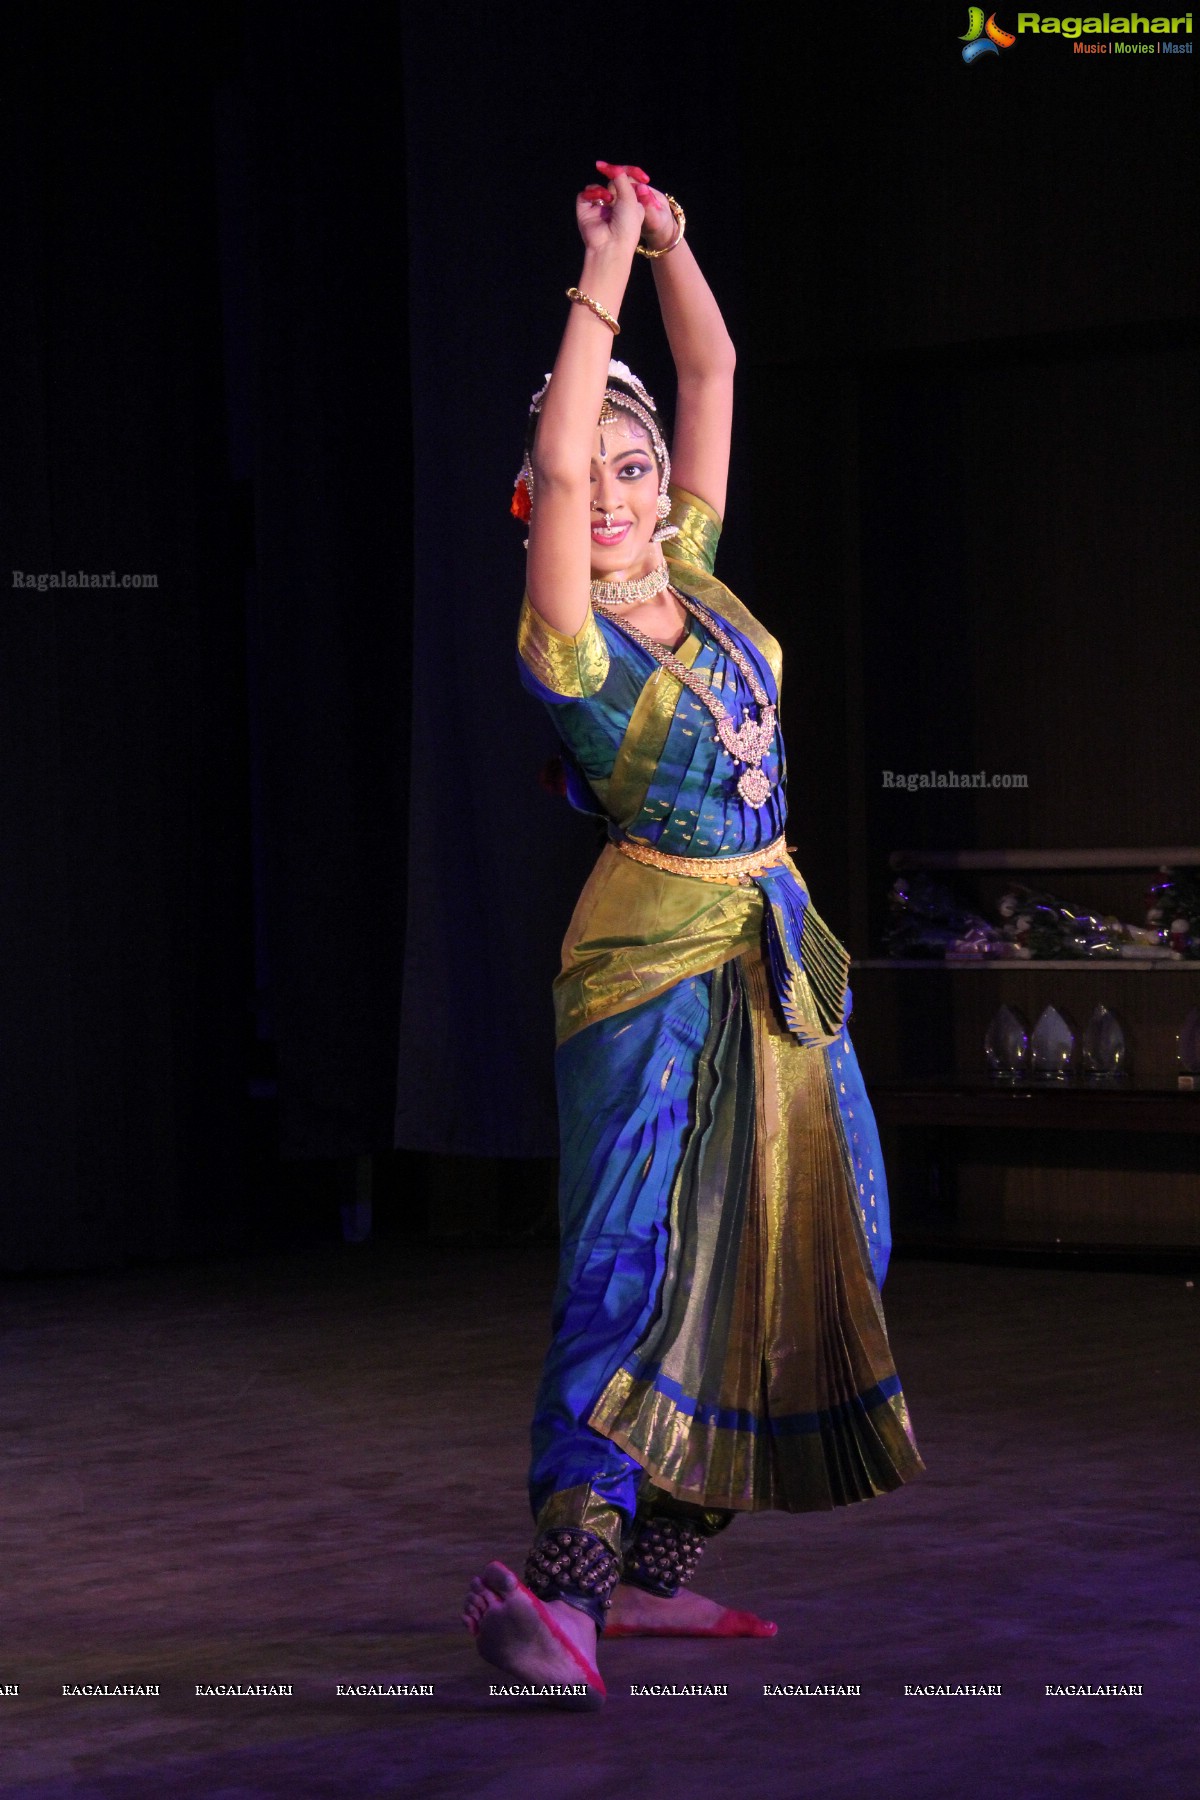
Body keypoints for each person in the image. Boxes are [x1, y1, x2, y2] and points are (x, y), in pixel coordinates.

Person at [462, 162, 925, 1708]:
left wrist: (673, 246)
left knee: (834, 1234)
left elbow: (714, 365)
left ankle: (657, 1574)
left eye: (634, 471)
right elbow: (559, 436)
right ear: (544, 496)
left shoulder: (702, 577)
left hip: (777, 948)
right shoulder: (567, 639)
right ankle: (570, 1591)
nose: (611, 493)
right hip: (649, 965)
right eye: (583, 475)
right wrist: (597, 273)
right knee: (632, 1263)